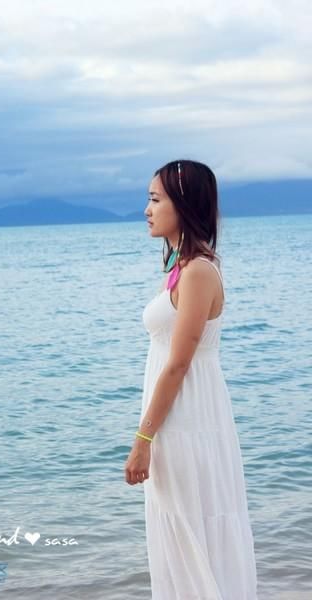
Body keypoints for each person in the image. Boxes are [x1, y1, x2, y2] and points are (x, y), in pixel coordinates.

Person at [124, 159, 258, 599]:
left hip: (188, 424)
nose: (147, 209)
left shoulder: (199, 271)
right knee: (180, 534)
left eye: (155, 199)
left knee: (191, 531)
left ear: (183, 204)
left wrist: (143, 440)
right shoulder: (181, 268)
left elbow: (179, 364)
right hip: (177, 423)